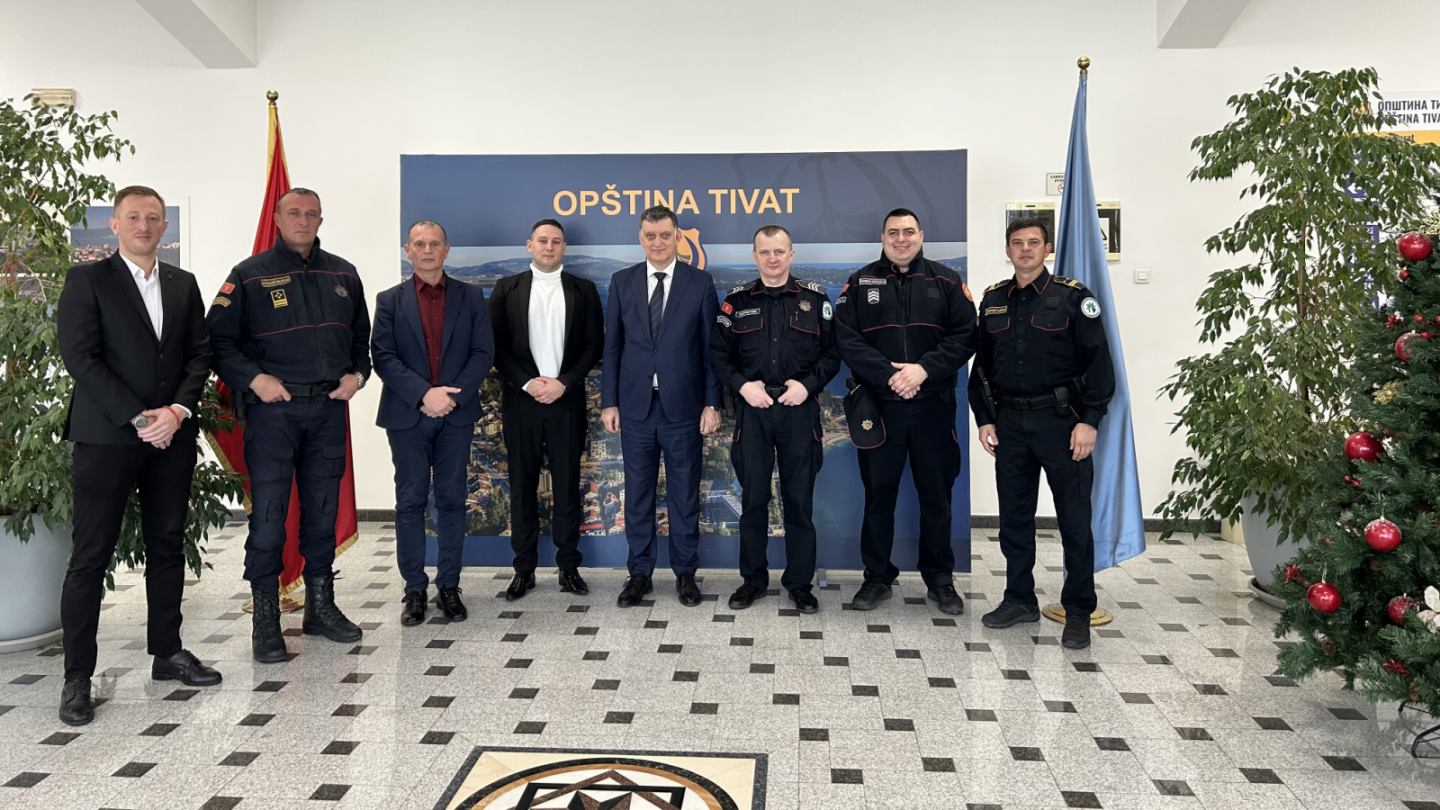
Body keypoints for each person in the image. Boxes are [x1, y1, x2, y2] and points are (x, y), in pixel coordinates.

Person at [55, 185, 220, 725]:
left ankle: (167, 653)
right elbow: (81, 357)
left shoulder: (182, 283)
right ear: (115, 224)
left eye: (153, 217)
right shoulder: (87, 280)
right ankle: (77, 677)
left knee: (167, 545)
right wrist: (139, 417)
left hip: (171, 436)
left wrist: (177, 410)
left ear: (164, 227)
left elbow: (199, 354)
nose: (144, 225)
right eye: (133, 217)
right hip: (106, 437)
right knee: (90, 556)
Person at [207, 187, 370, 663]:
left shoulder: (343, 273)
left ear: (321, 220)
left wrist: (358, 376)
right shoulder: (248, 275)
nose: (303, 220)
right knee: (268, 518)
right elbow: (217, 342)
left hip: (327, 411)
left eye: (311, 214)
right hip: (273, 413)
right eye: (294, 213)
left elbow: (361, 340)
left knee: (321, 512)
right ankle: (265, 619)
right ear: (277, 219)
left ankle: (320, 608)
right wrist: (254, 379)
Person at [969, 217, 1114, 649]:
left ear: (1047, 249)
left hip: (1063, 423)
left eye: (1034, 242)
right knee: (1014, 518)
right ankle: (1019, 599)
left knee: (1074, 520)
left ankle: (1078, 610)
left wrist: (1090, 421)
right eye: (1017, 243)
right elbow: (982, 367)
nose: (1026, 249)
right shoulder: (994, 300)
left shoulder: (1073, 298)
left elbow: (1099, 365)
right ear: (1007, 250)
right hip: (1010, 423)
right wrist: (985, 418)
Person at [834, 208, 977, 615]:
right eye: (893, 232)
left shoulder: (946, 281)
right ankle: (877, 577)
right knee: (879, 497)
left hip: (933, 407)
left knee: (937, 498)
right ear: (882, 238)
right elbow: (847, 339)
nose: (901, 238)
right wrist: (890, 376)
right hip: (880, 409)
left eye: (908, 231)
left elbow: (966, 335)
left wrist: (923, 370)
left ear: (921, 235)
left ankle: (940, 579)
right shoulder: (860, 283)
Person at [711, 225, 839, 613]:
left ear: (791, 254)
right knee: (753, 501)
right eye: (765, 252)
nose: (772, 258)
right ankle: (752, 580)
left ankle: (799, 583)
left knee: (798, 503)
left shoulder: (815, 300)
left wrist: (808, 386)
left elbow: (832, 355)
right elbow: (719, 355)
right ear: (754, 256)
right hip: (754, 411)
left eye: (779, 251)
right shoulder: (735, 302)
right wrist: (742, 387)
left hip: (799, 410)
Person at [371, 220, 493, 625]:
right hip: (407, 415)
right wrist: (425, 394)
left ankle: (449, 586)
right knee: (409, 502)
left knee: (452, 501)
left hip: (456, 415)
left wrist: (450, 397)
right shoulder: (389, 300)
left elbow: (483, 352)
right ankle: (414, 590)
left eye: (434, 243)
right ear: (408, 250)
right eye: (419, 244)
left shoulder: (470, 296)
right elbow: (383, 356)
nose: (427, 250)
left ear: (446, 249)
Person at [600, 205, 723, 607]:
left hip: (684, 408)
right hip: (635, 408)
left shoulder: (699, 282)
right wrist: (609, 401)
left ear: (677, 237)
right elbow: (613, 347)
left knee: (684, 495)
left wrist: (712, 402)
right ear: (641, 238)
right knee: (638, 494)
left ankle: (686, 574)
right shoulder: (621, 281)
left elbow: (710, 350)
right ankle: (640, 574)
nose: (658, 243)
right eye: (650, 236)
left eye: (665, 235)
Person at [488, 218, 603, 600]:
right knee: (522, 488)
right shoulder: (506, 288)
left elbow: (593, 346)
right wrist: (528, 383)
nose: (549, 247)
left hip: (566, 402)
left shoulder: (583, 290)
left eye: (556, 241)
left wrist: (563, 382)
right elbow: (496, 346)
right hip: (521, 403)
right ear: (529, 245)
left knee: (567, 488)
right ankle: (524, 570)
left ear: (564, 247)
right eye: (542, 241)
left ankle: (569, 567)